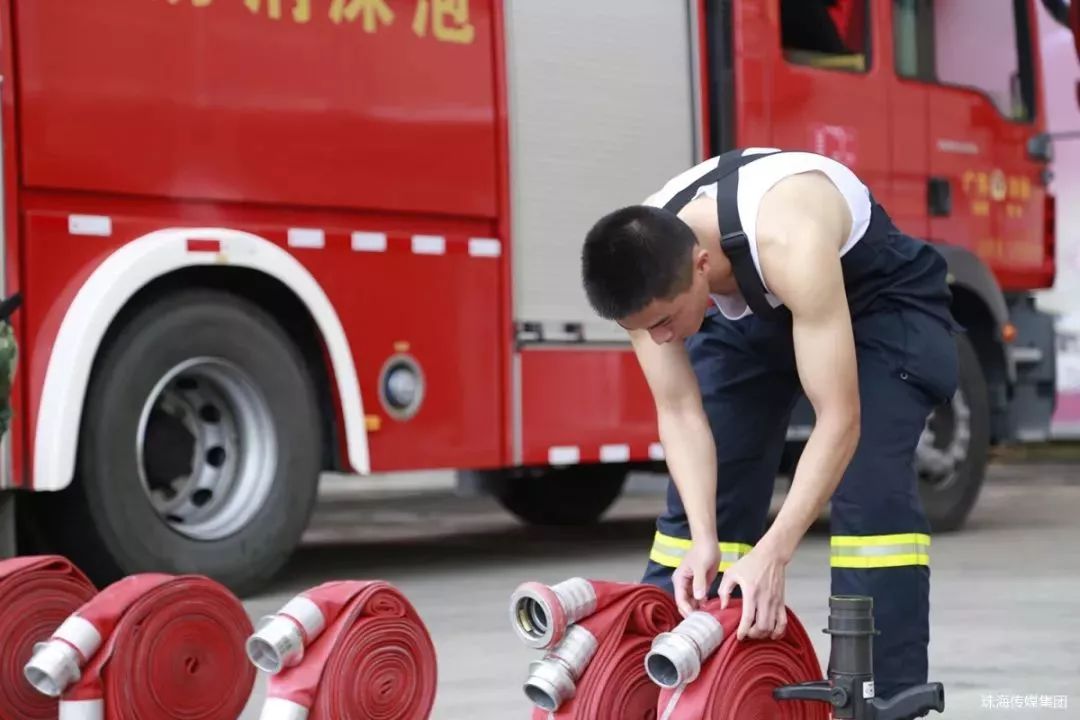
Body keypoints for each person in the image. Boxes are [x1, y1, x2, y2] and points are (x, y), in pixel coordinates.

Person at [579, 147, 960, 699]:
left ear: (701, 266)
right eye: (642, 329)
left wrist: (775, 551)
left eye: (664, 322)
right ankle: (672, 684)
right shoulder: (641, 268)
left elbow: (839, 418)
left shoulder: (789, 239)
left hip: (877, 305)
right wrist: (705, 538)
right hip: (756, 307)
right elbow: (680, 412)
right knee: (700, 511)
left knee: (868, 493)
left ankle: (878, 696)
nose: (660, 339)